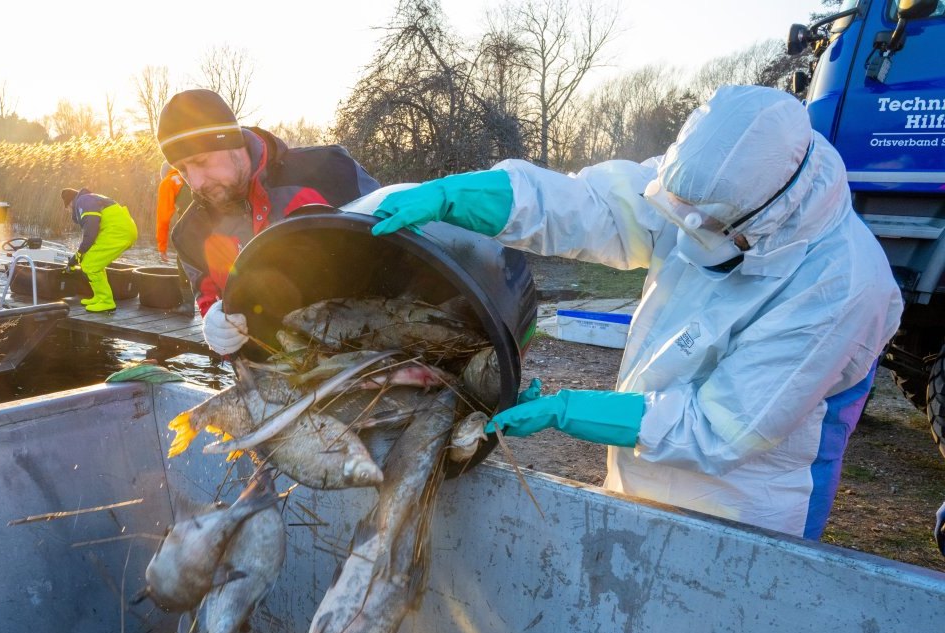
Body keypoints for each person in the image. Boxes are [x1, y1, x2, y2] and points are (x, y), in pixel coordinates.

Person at [370, 85, 902, 540]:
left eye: (706, 226)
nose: (686, 232)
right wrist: (470, 197)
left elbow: (721, 429)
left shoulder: (843, 288)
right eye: (680, 214)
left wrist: (568, 409)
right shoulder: (707, 187)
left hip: (748, 506)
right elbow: (594, 206)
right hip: (643, 469)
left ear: (770, 215)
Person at [155, 88, 378, 354]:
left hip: (371, 347)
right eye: (183, 170)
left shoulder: (330, 172)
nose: (196, 182)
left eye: (201, 161)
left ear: (232, 142)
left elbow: (401, 244)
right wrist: (213, 322)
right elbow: (207, 298)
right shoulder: (189, 233)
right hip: (270, 370)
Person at [60, 187, 139, 313]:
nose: (70, 211)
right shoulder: (90, 199)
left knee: (90, 264)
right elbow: (92, 233)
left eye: (68, 208)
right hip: (121, 229)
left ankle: (106, 301)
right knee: (95, 262)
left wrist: (78, 255)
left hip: (118, 231)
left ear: (71, 203)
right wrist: (79, 255)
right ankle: (99, 297)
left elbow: (90, 233)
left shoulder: (82, 201)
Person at [155, 161, 190, 264]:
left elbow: (163, 218)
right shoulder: (189, 175)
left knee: (184, 259)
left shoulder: (167, 182)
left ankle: (184, 279)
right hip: (213, 222)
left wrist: (162, 248)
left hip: (191, 223)